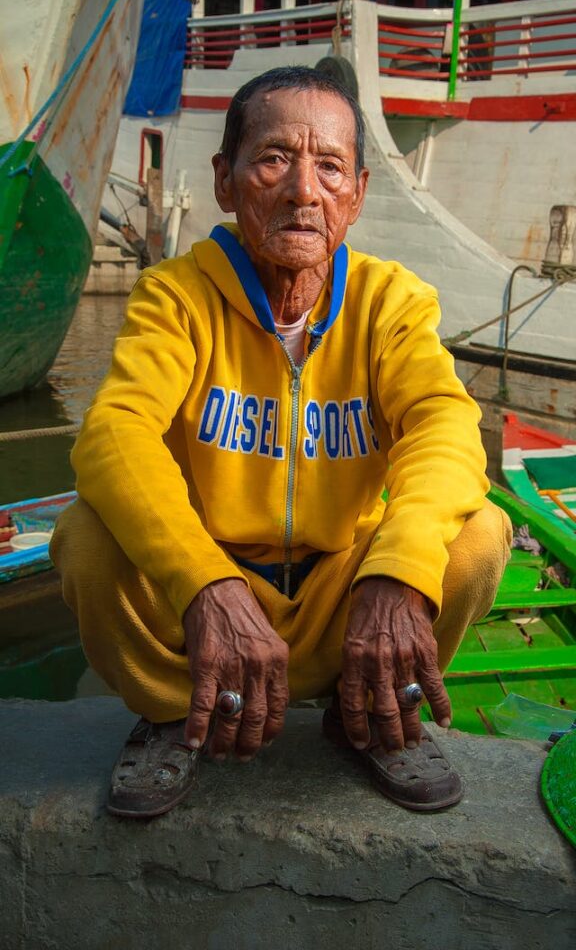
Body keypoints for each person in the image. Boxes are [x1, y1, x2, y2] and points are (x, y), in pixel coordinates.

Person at [51, 65, 511, 819]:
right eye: (273, 159)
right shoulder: (177, 297)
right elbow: (115, 433)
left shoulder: (390, 302)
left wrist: (397, 571)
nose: (304, 191)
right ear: (226, 182)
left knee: (482, 535)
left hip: (343, 596)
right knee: (84, 536)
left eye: (329, 167)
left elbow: (446, 427)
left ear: (357, 195)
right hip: (206, 606)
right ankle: (173, 712)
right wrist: (206, 582)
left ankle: (369, 715)